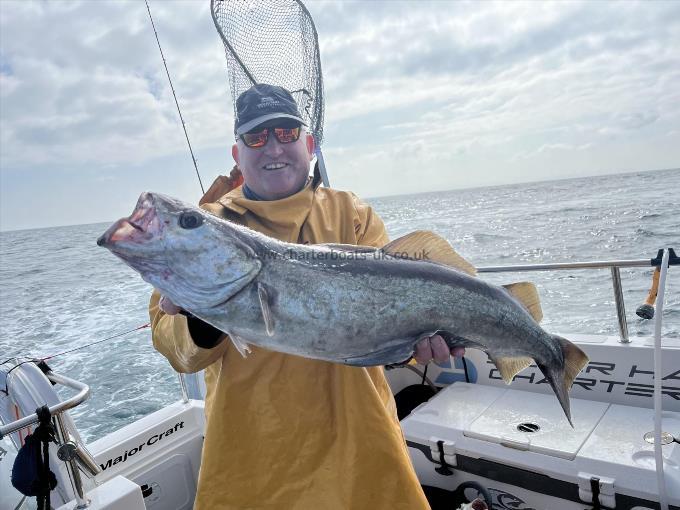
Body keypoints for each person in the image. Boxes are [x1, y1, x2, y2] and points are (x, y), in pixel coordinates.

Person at [150, 83, 462, 510]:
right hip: (254, 449)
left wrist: (413, 347)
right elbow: (176, 350)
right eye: (256, 137)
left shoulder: (350, 213)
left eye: (286, 132)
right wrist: (203, 315)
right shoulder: (203, 228)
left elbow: (393, 316)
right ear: (237, 154)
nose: (273, 147)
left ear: (308, 143)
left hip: (359, 437)